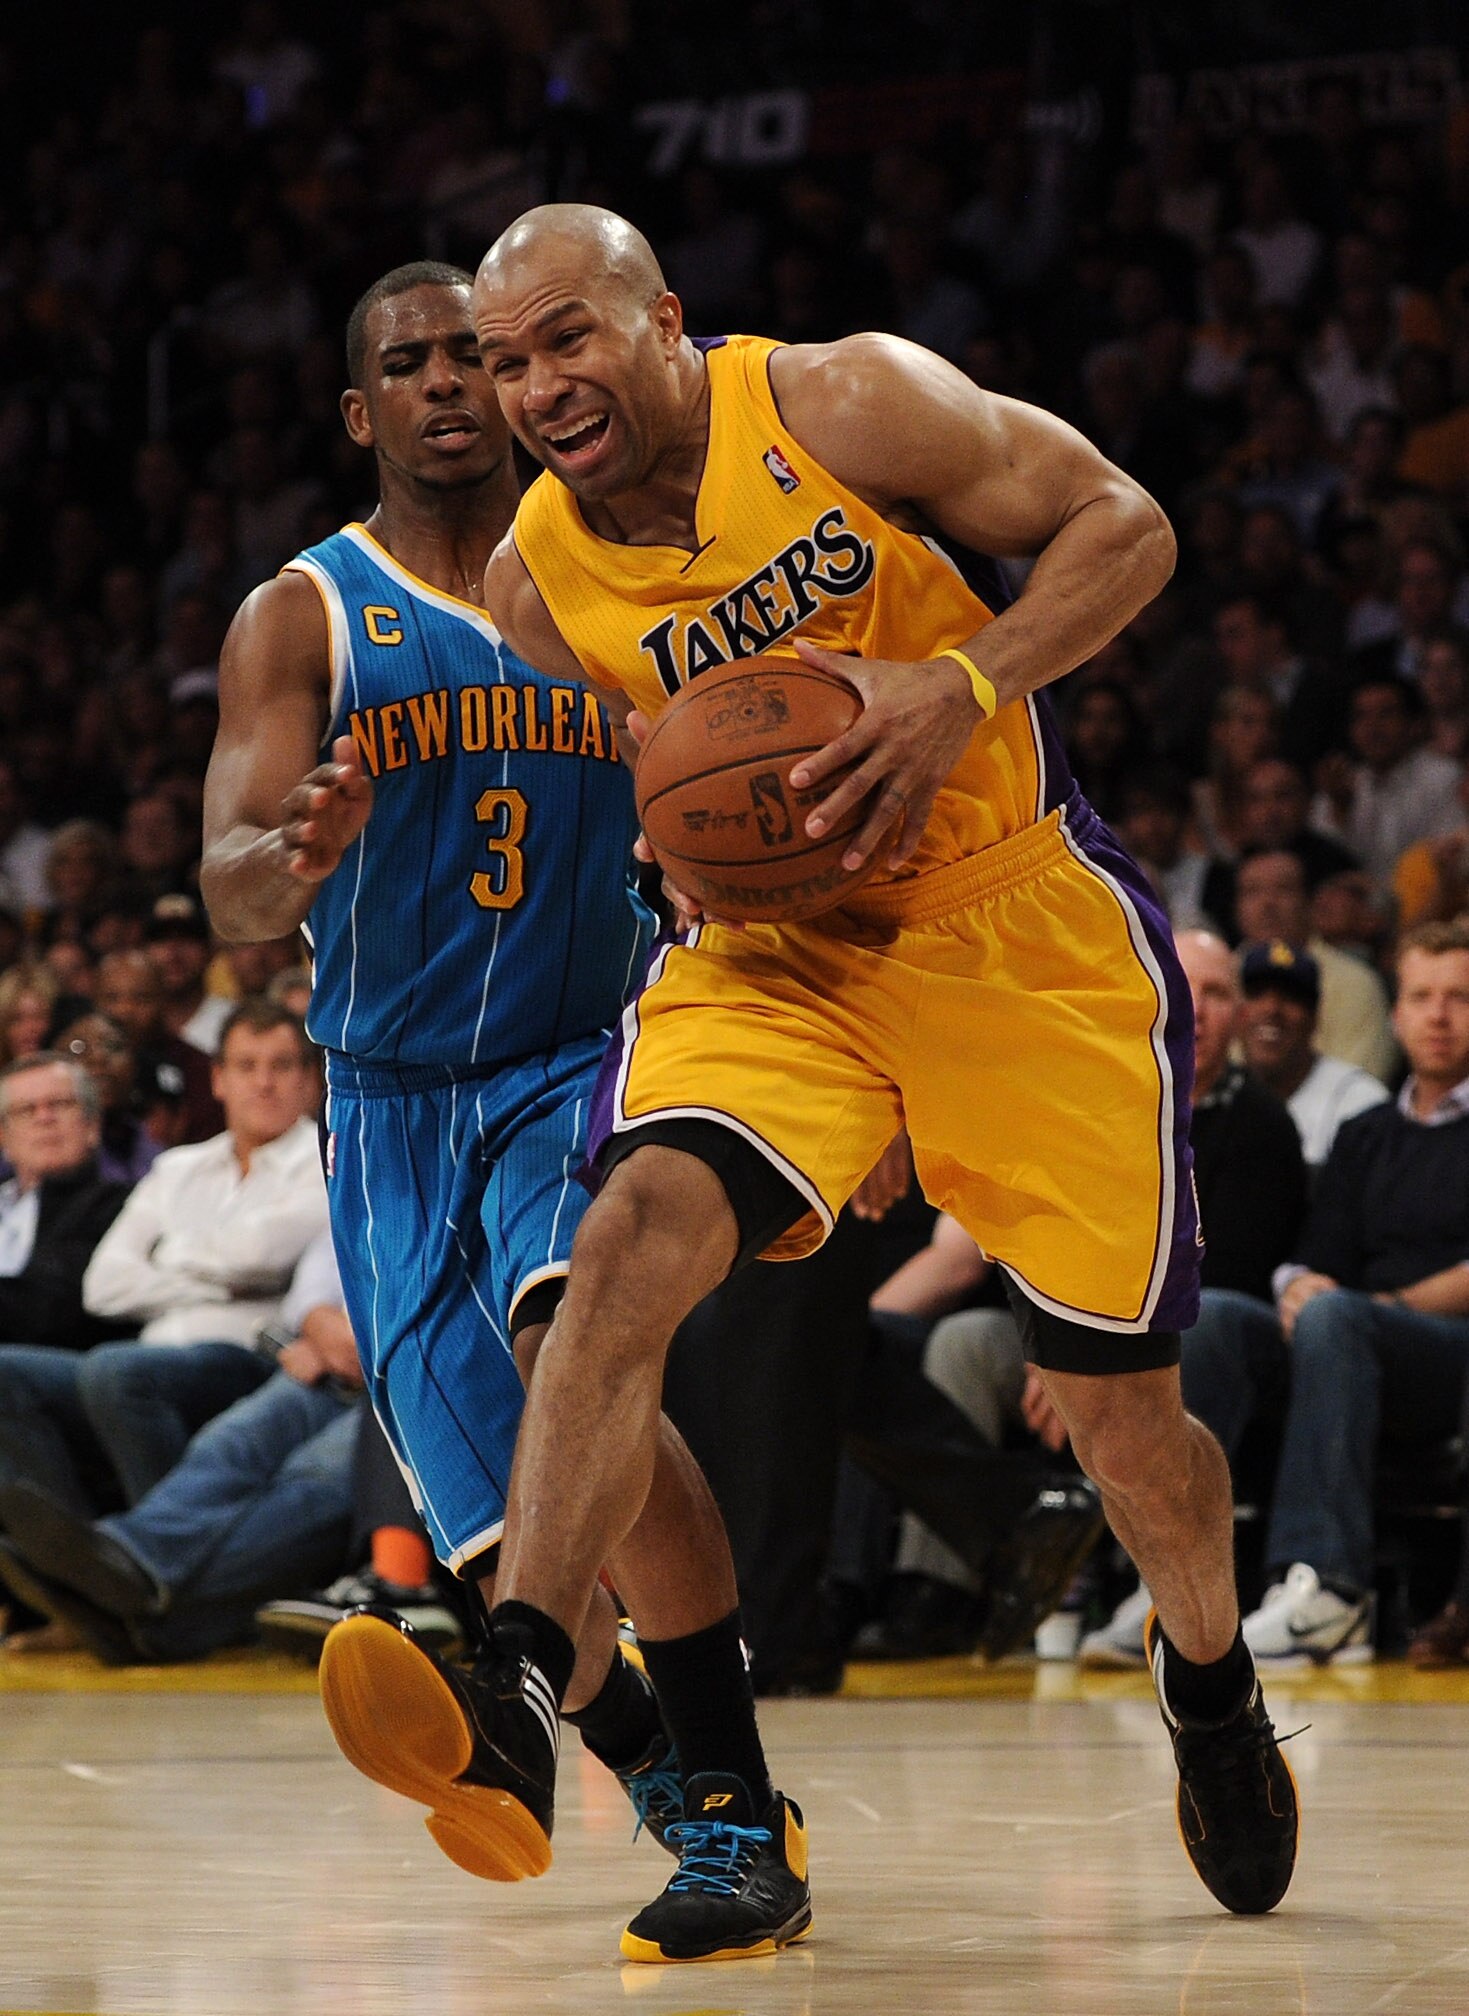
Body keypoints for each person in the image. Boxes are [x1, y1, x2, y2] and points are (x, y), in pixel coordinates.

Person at [446, 201, 1299, 1947]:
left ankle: (1203, 1674)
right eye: (505, 358)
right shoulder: (529, 580)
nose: (538, 383)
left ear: (662, 321)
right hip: (784, 964)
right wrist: (674, 858)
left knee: (1132, 1433)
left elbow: (1120, 528)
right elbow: (665, 779)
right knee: (620, 1249)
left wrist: (956, 681)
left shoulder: (842, 405)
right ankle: (519, 1671)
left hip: (1012, 930)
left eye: (568, 337)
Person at [199, 264, 773, 1935]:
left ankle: (728, 1803)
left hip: (576, 1061)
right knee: (491, 1527)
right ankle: (648, 1767)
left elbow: (726, 793)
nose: (451, 382)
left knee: (572, 1351)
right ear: (361, 411)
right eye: (410, 364)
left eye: (474, 355)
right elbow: (228, 881)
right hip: (381, 1106)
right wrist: (286, 848)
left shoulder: (608, 577)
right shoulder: (302, 612)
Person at [1183, 920, 1469, 1667]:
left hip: (1447, 1353)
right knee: (1215, 1317)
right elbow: (1315, 1255)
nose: (1439, 1015)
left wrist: (1386, 1309)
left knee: (1336, 1321)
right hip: (1351, 1342)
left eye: (1459, 998)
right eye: (1422, 997)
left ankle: (1327, 1588)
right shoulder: (1364, 1129)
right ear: (1396, 1013)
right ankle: (1171, 1583)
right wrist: (1298, 1284)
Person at [0, 1000, 326, 1517]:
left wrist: (166, 1258)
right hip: (151, 1355)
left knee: (118, 1373)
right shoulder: (178, 1167)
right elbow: (105, 1285)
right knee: (8, 1373)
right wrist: (222, 1280)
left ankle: (152, 1560)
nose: (264, 1083)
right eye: (246, 1066)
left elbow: (257, 1252)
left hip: (246, 1357)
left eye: (282, 1066)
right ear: (218, 1080)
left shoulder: (328, 1163)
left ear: (311, 1081)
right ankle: (73, 1563)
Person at [1081, 932, 1308, 1666]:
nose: (1195, 1008)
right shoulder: (1102, 1107)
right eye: (1179, 984)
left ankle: (1166, 1588)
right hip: (1107, 1317)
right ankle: (934, 1587)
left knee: (1201, 1321)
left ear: (1239, 1015)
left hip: (1230, 1333)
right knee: (963, 1343)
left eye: (1214, 992)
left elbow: (1229, 1264)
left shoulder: (1260, 1122)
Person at [0, 1232, 365, 1665]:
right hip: (324, 1361)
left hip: (408, 1383)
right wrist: (320, 1324)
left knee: (316, 1474)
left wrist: (367, 1342)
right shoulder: (363, 1180)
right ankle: (129, 1566)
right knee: (231, 1444)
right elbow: (320, 1273)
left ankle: (139, 1599)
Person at [0, 1053, 132, 1350]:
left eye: (60, 1104)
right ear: (3, 1137)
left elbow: (49, 1308)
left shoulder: (116, 1204)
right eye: (25, 1110)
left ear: (92, 1126)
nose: (44, 1118)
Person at [1232, 847, 1396, 1081]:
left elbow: (1362, 1085)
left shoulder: (1357, 984)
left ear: (1311, 901)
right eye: (1251, 891)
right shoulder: (1215, 977)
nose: (1267, 903)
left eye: (1283, 889)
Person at [1237, 941, 1387, 1168]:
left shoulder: (1360, 1103)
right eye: (1257, 994)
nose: (1271, 1009)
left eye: (1290, 996)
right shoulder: (1218, 1096)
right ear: (1238, 1013)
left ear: (1314, 1017)